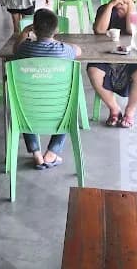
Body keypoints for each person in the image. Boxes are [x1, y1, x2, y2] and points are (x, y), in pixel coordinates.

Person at [14, 9, 82, 169]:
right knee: (69, 107)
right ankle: (52, 152)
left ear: (34, 29)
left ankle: (36, 153)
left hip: (29, 109)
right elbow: (78, 50)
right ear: (56, 30)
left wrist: (24, 33)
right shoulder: (64, 50)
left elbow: (15, 50)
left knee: (22, 104)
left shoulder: (25, 49)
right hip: (57, 107)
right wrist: (61, 42)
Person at [88, 0, 137, 129]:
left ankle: (130, 111)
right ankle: (114, 109)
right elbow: (99, 30)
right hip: (109, 55)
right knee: (93, 70)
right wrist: (111, 5)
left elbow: (132, 30)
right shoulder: (105, 9)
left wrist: (130, 5)